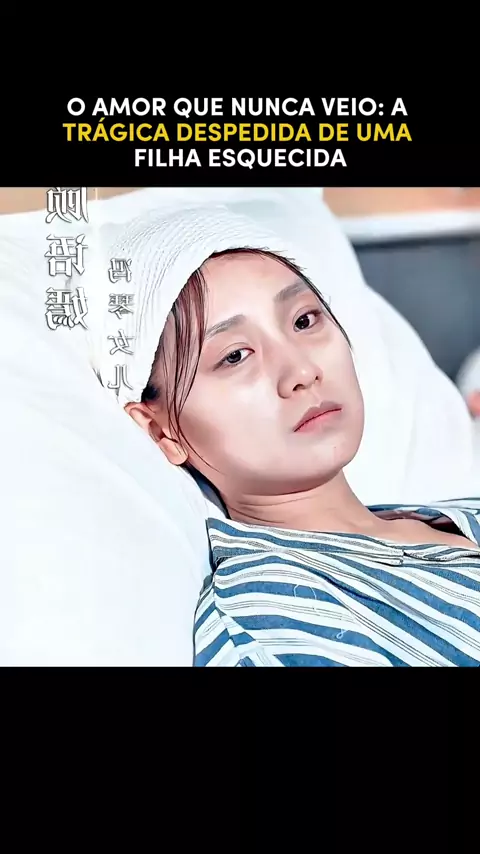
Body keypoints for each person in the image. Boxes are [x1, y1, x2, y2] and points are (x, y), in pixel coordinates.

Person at [122, 241, 480, 668]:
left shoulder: (455, 516)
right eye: (235, 356)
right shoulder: (269, 619)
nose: (303, 371)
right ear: (162, 430)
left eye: (304, 320)